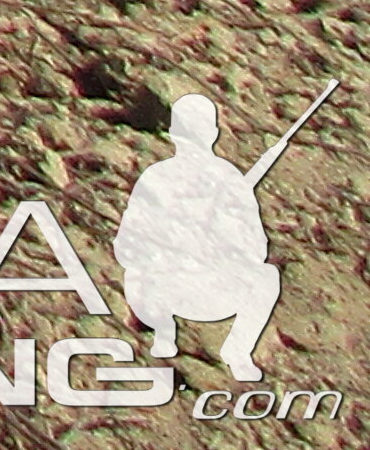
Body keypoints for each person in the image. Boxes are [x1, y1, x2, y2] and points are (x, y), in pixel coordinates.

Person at [113, 94, 284, 384]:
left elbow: (255, 249)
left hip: (207, 287)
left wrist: (221, 238)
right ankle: (164, 332)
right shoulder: (159, 178)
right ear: (213, 133)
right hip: (163, 289)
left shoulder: (227, 181)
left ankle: (236, 351)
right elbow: (126, 247)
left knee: (266, 276)